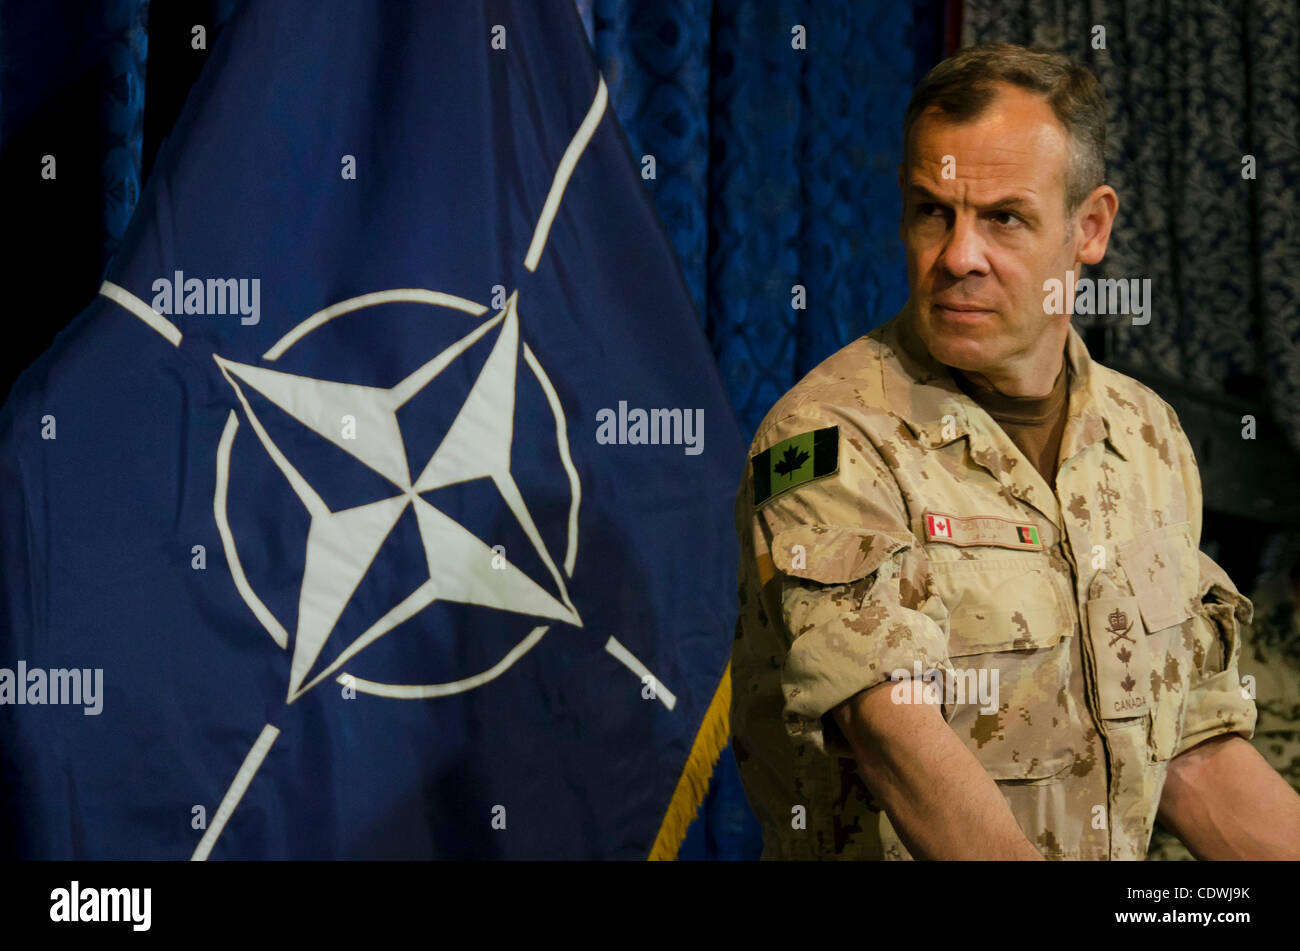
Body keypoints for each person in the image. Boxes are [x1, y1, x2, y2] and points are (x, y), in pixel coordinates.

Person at [729, 43, 1300, 860]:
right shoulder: (828, 441)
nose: (960, 255)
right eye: (935, 211)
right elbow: (891, 731)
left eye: (1003, 217)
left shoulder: (1148, 438)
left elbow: (1192, 745)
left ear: (1089, 228)